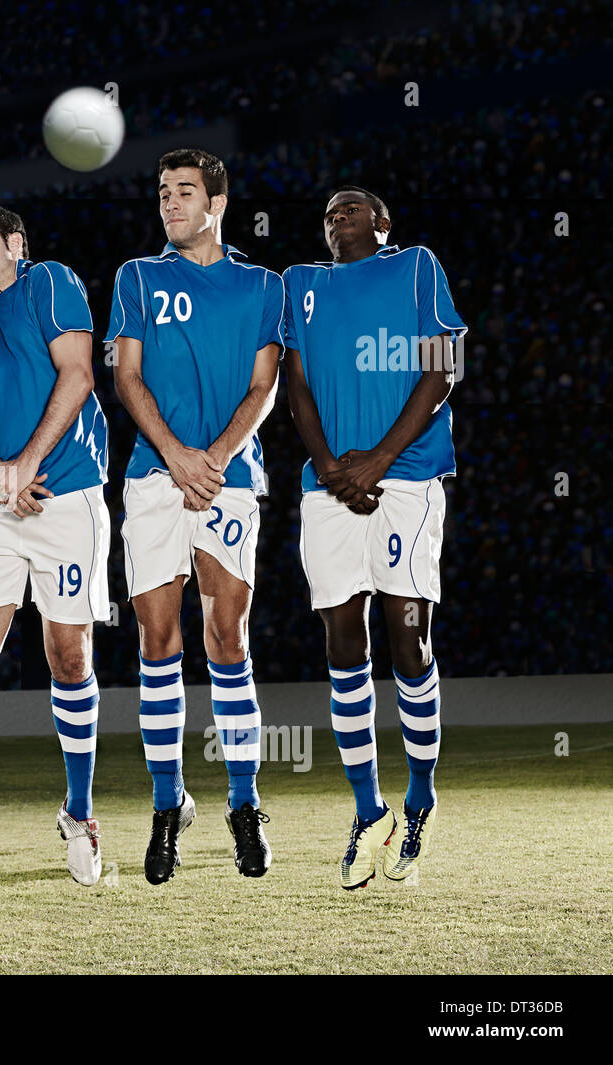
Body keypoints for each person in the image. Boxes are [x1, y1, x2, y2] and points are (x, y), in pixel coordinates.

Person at [281, 185, 465, 888]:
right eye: (328, 209)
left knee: (408, 634)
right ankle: (370, 810)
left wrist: (379, 459)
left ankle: (419, 794)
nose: (338, 214)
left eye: (353, 206)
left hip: (408, 477)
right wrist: (329, 465)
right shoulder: (301, 283)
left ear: (383, 224)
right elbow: (294, 383)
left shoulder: (417, 265)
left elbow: (441, 367)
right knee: (341, 642)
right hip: (328, 485)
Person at [107, 149, 283, 881]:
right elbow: (126, 374)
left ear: (217, 200)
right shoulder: (138, 277)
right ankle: (165, 804)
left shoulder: (262, 284)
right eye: (161, 191)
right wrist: (178, 455)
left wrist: (210, 458)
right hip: (154, 479)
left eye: (184, 191)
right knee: (157, 640)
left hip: (230, 479)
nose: (169, 202)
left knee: (227, 637)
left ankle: (243, 804)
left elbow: (265, 384)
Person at [0, 204, 111, 886]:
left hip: (66, 496)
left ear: (14, 243)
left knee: (69, 654)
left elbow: (78, 375)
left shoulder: (52, 282)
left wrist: (27, 464)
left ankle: (79, 812)